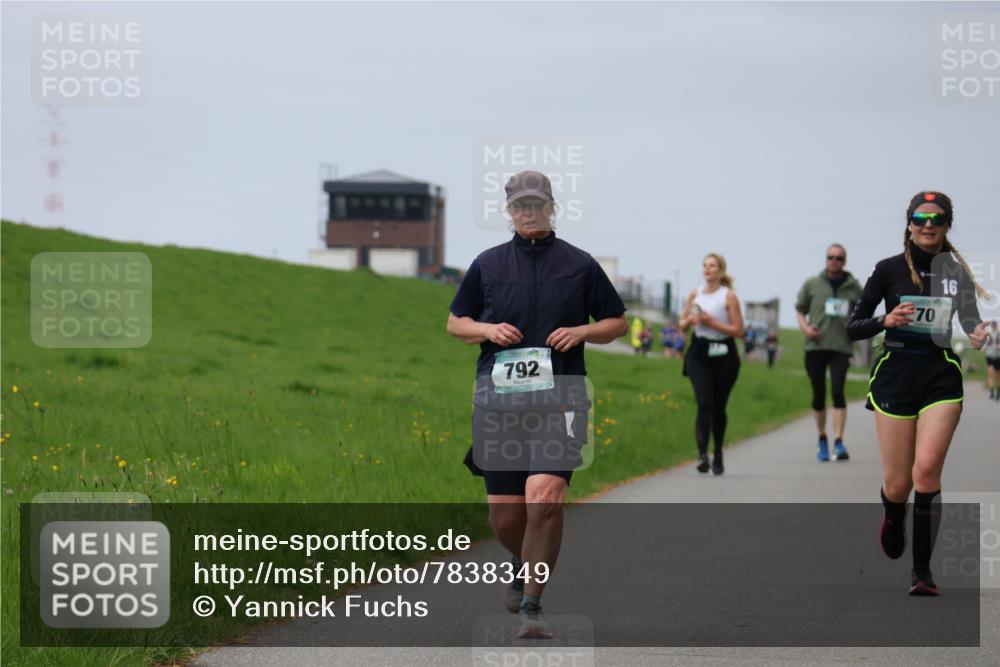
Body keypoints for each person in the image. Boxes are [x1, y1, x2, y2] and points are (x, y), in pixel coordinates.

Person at [447, 170, 627, 636]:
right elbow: (455, 323)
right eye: (520, 206)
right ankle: (518, 557)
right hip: (499, 401)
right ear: (509, 211)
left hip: (562, 397)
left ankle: (532, 604)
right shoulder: (487, 264)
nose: (529, 213)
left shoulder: (580, 264)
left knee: (543, 503)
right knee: (506, 517)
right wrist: (486, 330)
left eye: (537, 204)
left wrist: (584, 331)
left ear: (551, 207)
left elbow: (617, 323)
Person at [847, 191, 988, 596]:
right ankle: (893, 515)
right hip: (896, 373)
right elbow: (854, 326)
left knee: (925, 471)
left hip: (940, 377)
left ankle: (921, 572)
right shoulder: (887, 270)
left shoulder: (956, 272)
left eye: (937, 218)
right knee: (898, 483)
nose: (929, 224)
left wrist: (978, 333)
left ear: (947, 225)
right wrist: (885, 320)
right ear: (909, 223)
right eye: (921, 217)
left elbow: (970, 321)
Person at [795, 244, 864, 462]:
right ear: (825, 259)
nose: (834, 261)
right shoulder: (812, 284)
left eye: (839, 257)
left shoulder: (854, 287)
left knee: (837, 391)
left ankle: (839, 441)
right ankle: (822, 438)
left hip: (841, 347)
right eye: (830, 257)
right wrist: (806, 328)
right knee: (818, 395)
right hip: (815, 346)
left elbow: (863, 312)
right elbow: (799, 309)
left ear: (844, 261)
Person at [679, 253, 744, 475]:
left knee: (718, 407)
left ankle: (718, 452)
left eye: (712, 266)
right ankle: (701, 455)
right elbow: (682, 324)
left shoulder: (729, 296)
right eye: (705, 265)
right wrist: (689, 321)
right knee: (704, 403)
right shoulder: (695, 294)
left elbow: (739, 330)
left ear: (721, 271)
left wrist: (711, 322)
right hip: (699, 353)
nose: (707, 269)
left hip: (724, 353)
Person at [986, 321, 1000, 401]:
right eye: (992, 325)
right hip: (990, 356)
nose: (994, 326)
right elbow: (985, 344)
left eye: (995, 325)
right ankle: (991, 392)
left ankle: (998, 391)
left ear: (996, 326)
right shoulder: (989, 335)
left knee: (998, 376)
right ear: (991, 326)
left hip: (998, 357)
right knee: (990, 373)